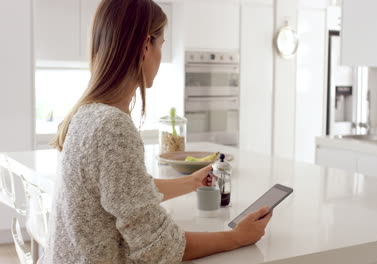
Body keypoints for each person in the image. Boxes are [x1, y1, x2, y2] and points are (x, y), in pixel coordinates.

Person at [40, 0, 272, 263]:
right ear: (145, 46)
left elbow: (127, 192)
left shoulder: (86, 115)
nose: (161, 55)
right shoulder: (111, 127)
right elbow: (160, 247)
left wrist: (192, 182)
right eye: (162, 44)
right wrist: (237, 236)